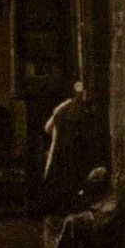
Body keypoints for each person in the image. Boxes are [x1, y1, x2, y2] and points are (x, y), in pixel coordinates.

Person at [43, 166, 121, 248]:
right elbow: (84, 205)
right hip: (88, 219)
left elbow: (105, 215)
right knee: (51, 220)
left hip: (97, 224)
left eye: (95, 183)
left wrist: (88, 215)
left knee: (71, 221)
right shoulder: (94, 193)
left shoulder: (112, 195)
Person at [42, 82, 94, 217]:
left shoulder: (62, 109)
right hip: (68, 152)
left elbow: (47, 128)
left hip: (59, 152)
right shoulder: (74, 109)